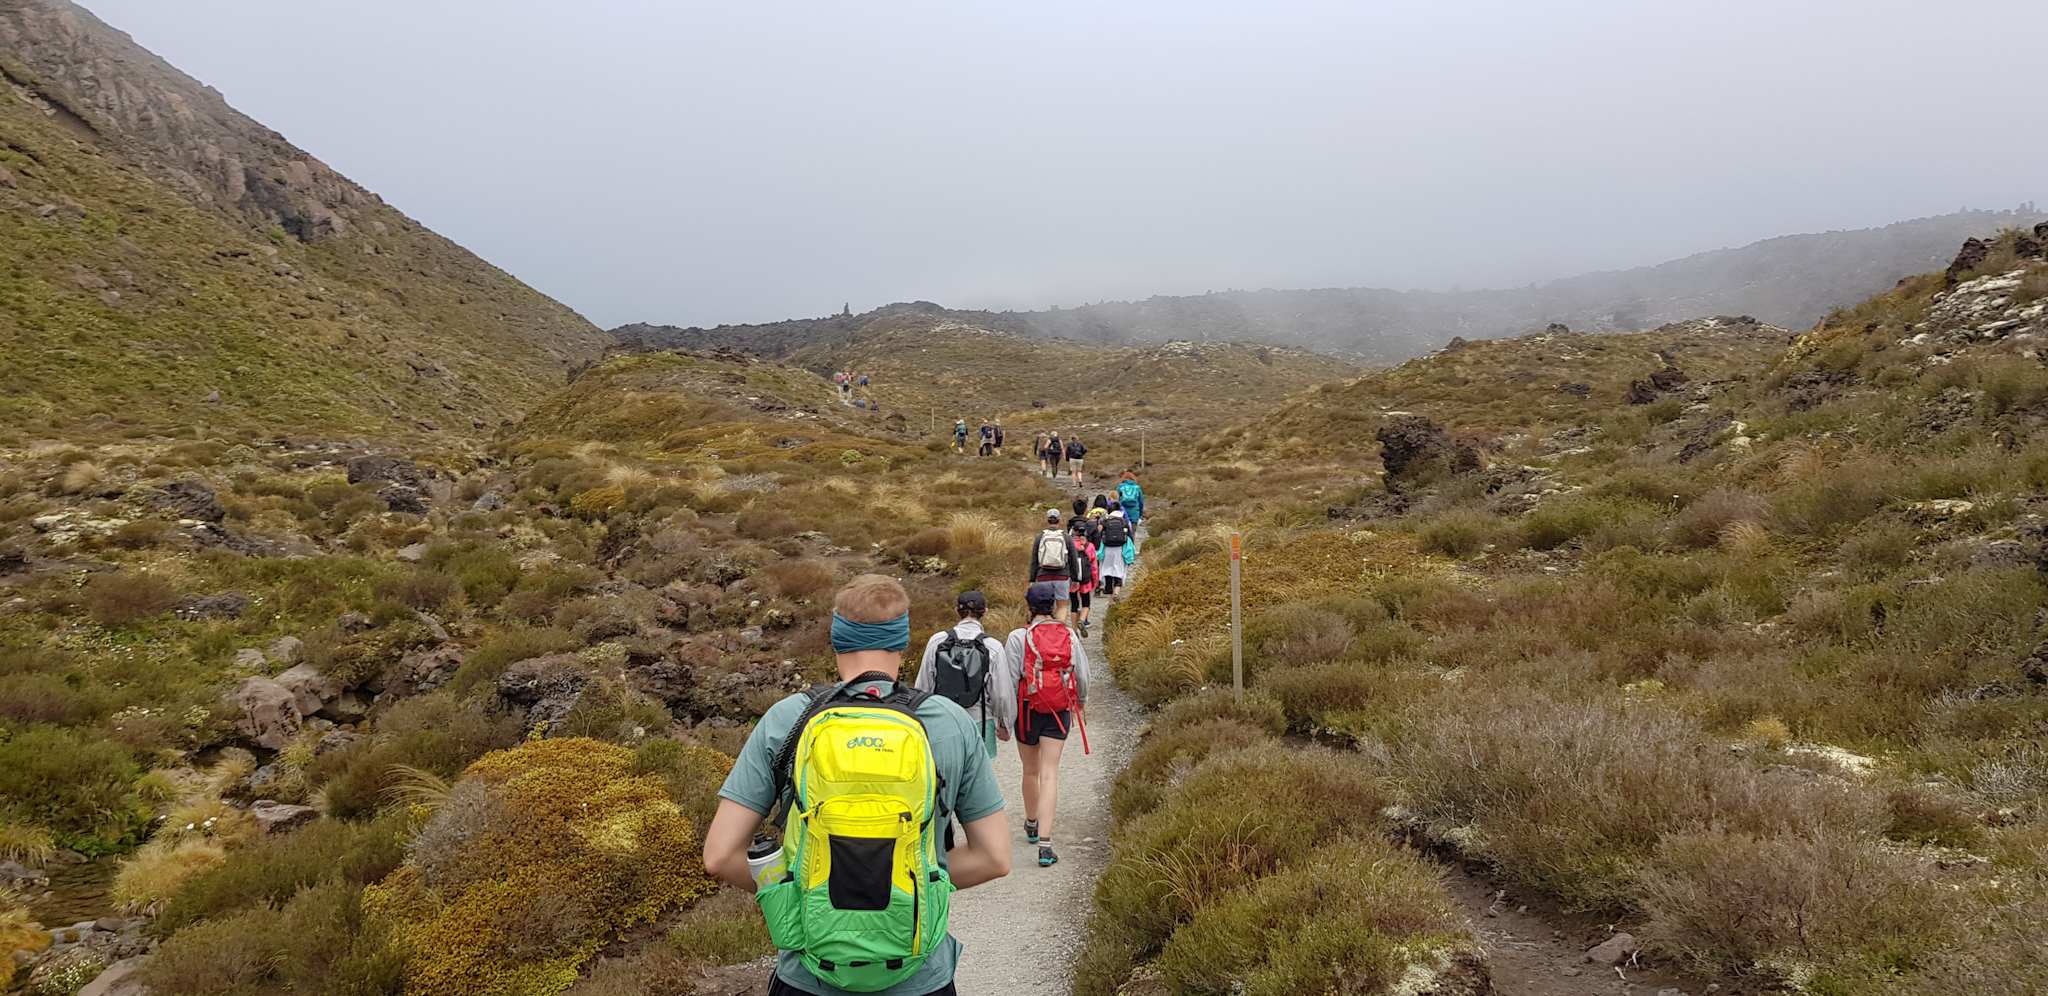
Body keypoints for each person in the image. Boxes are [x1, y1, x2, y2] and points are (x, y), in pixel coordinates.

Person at [703, 575, 1011, 996]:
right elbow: (994, 858)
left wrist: (801, 897)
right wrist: (909, 880)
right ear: (902, 644)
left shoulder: (789, 719)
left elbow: (720, 856)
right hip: (919, 975)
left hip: (808, 976)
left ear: (836, 641)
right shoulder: (949, 722)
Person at [994, 582, 1092, 868]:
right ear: (1053, 606)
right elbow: (1082, 674)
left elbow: (1009, 681)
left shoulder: (1016, 637)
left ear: (1028, 607)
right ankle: (1046, 846)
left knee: (1030, 771)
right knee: (1050, 774)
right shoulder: (1068, 634)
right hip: (1059, 708)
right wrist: (1080, 700)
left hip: (1027, 710)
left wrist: (1005, 721)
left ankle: (1032, 824)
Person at [913, 590, 1006, 761]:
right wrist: (1004, 724)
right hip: (980, 722)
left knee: (945, 777)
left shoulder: (937, 641)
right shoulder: (993, 646)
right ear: (985, 612)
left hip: (942, 721)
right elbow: (1001, 694)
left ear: (957, 611)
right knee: (978, 780)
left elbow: (923, 685)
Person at [1027, 507, 1082, 622]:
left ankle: (1046, 630)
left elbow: (1034, 560)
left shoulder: (1040, 537)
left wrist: (1032, 579)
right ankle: (1059, 630)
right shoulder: (1066, 537)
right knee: (1062, 606)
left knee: (1044, 608)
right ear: (1060, 520)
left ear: (1047, 520)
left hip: (1043, 576)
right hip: (1062, 576)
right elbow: (1073, 559)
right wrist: (1075, 578)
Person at [1065, 516, 1099, 636]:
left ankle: (1074, 632)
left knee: (1074, 605)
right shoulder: (1090, 546)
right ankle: (1082, 620)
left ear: (1074, 531)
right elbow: (1094, 565)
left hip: (1072, 579)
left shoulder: (1068, 544)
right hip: (1085, 579)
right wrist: (1095, 581)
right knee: (1086, 604)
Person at [1097, 507, 1130, 605]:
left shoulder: (1105, 521)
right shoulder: (1123, 521)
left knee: (1108, 572)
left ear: (1109, 511)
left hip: (1108, 549)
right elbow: (1129, 536)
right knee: (1119, 571)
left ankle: (1110, 602)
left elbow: (1097, 532)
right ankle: (1117, 591)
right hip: (1119, 550)